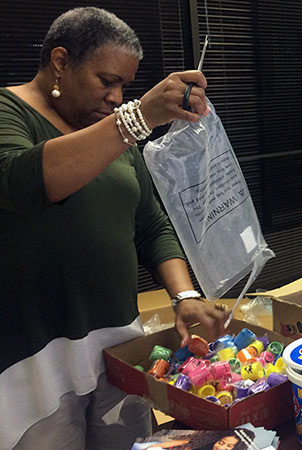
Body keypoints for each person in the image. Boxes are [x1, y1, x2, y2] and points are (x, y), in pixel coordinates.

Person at [0, 7, 229, 449]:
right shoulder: (10, 112)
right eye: (107, 81)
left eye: (124, 85)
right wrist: (134, 120)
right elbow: (20, 182)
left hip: (117, 350)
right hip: (36, 359)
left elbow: (150, 224)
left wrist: (184, 296)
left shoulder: (109, 133)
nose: (116, 96)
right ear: (61, 61)